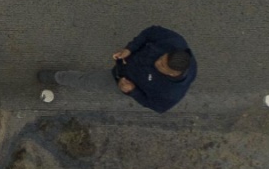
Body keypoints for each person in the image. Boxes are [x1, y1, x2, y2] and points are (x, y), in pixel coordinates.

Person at [38, 25, 195, 112]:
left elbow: (158, 106)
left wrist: (132, 91)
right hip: (126, 62)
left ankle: (57, 77)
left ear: (173, 73)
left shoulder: (170, 93)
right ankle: (59, 77)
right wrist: (130, 49)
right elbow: (151, 32)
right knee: (89, 80)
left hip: (121, 80)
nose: (157, 62)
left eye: (161, 66)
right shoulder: (174, 41)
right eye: (161, 58)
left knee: (87, 81)